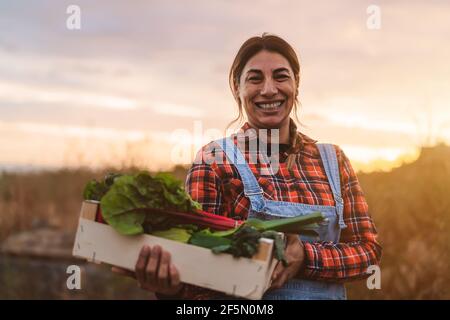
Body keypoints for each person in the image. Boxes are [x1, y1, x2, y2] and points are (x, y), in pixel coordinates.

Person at [112, 33, 382, 300]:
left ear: (296, 84)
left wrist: (306, 257)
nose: (268, 89)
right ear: (237, 88)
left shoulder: (333, 160)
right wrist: (170, 291)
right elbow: (197, 281)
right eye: (255, 78)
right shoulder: (214, 162)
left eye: (281, 76)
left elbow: (368, 252)